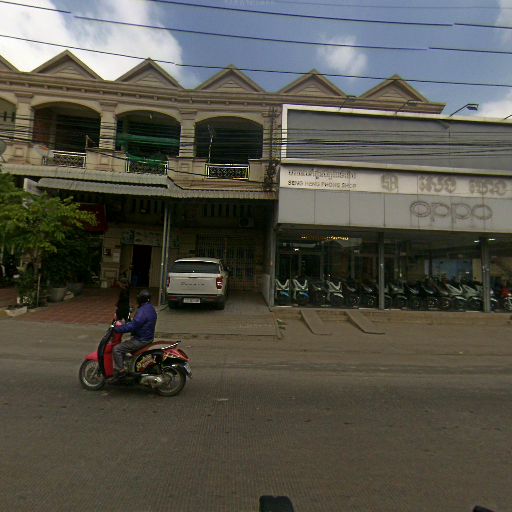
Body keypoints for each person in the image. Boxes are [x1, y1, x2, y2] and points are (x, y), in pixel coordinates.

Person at [112, 289, 157, 379]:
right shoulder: (150, 308)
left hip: (141, 339)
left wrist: (118, 329)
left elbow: (134, 325)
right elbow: (137, 323)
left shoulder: (143, 311)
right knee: (126, 345)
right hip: (146, 337)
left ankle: (121, 371)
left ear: (141, 299)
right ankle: (129, 365)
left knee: (117, 349)